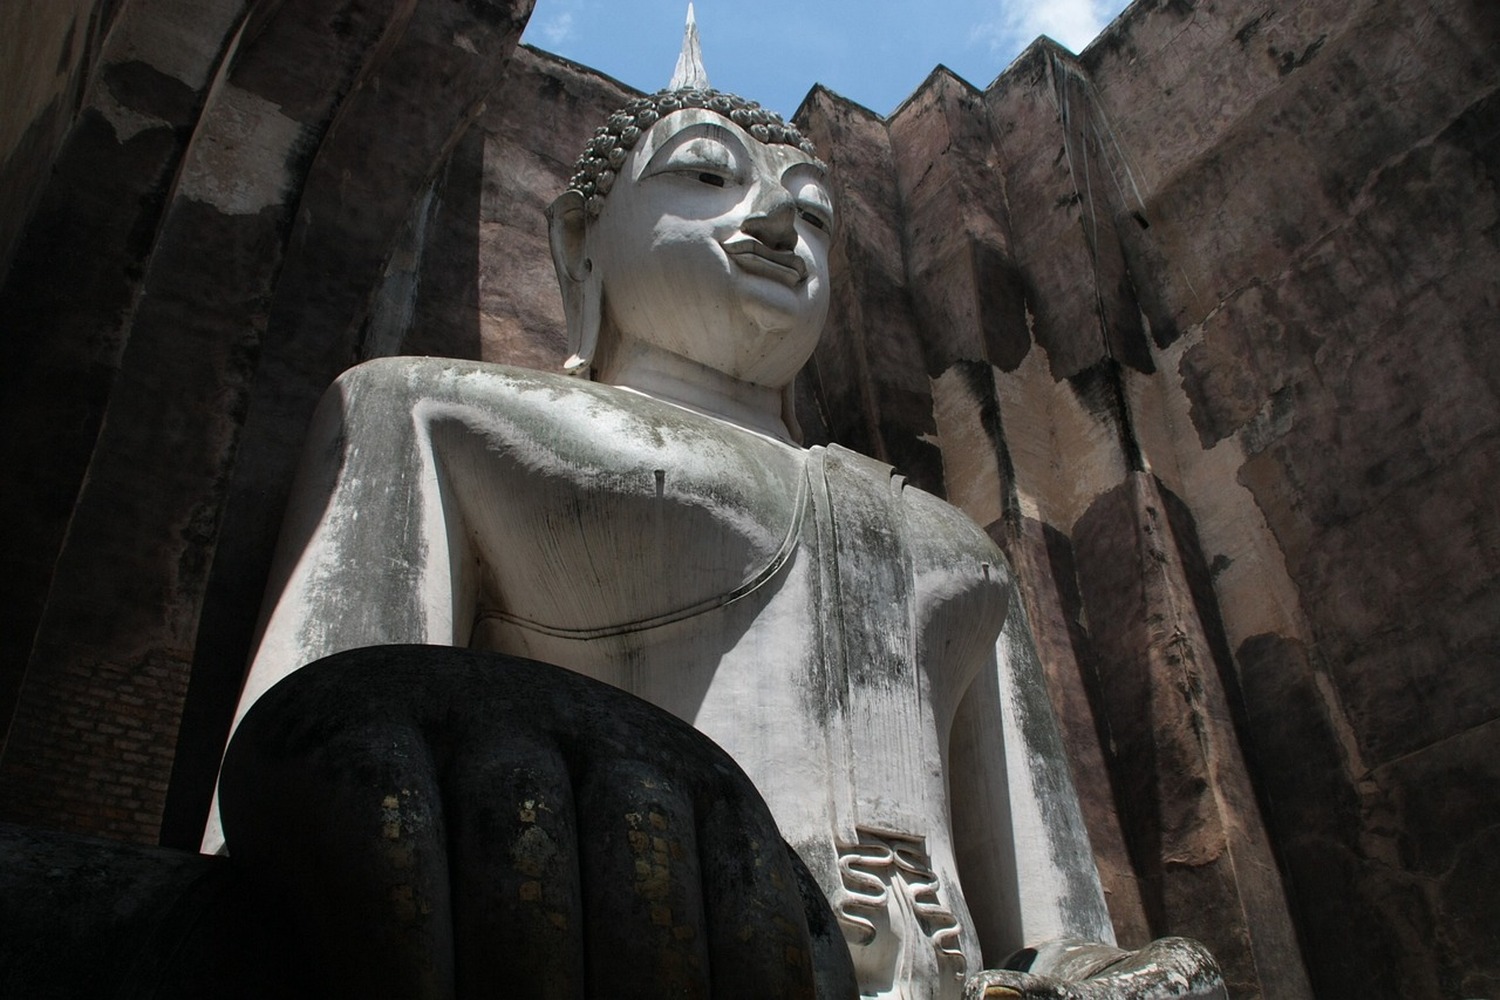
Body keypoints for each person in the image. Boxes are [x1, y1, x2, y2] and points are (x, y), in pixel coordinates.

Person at [209, 58, 1225, 1000]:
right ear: (581, 245)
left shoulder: (957, 547)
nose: (780, 224)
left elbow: (1055, 928)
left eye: (817, 215)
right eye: (705, 176)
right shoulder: (439, 415)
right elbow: (306, 785)